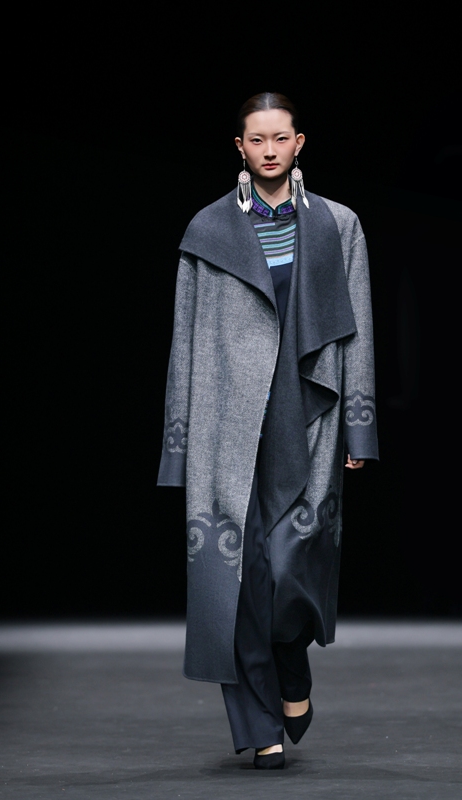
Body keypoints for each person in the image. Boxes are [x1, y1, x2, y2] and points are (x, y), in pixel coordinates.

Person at [157, 92, 379, 769]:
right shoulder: (207, 229)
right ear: (240, 147)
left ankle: (291, 671)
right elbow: (184, 339)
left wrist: (360, 429)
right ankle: (259, 728)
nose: (270, 150)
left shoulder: (337, 225)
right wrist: (177, 447)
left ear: (299, 142)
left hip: (306, 414)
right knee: (237, 578)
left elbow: (359, 330)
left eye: (281, 138)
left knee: (287, 570)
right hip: (225, 420)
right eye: (257, 139)